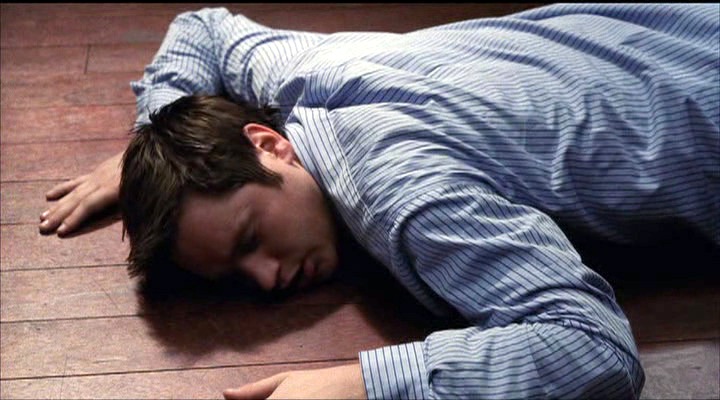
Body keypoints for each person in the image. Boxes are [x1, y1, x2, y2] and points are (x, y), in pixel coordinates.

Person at [39, 3, 719, 399]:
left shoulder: (402, 193)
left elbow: (594, 349)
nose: (267, 278)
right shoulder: (297, 73)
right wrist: (157, 136)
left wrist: (363, 384)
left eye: (250, 239)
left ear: (268, 146)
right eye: (236, 276)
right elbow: (205, 27)